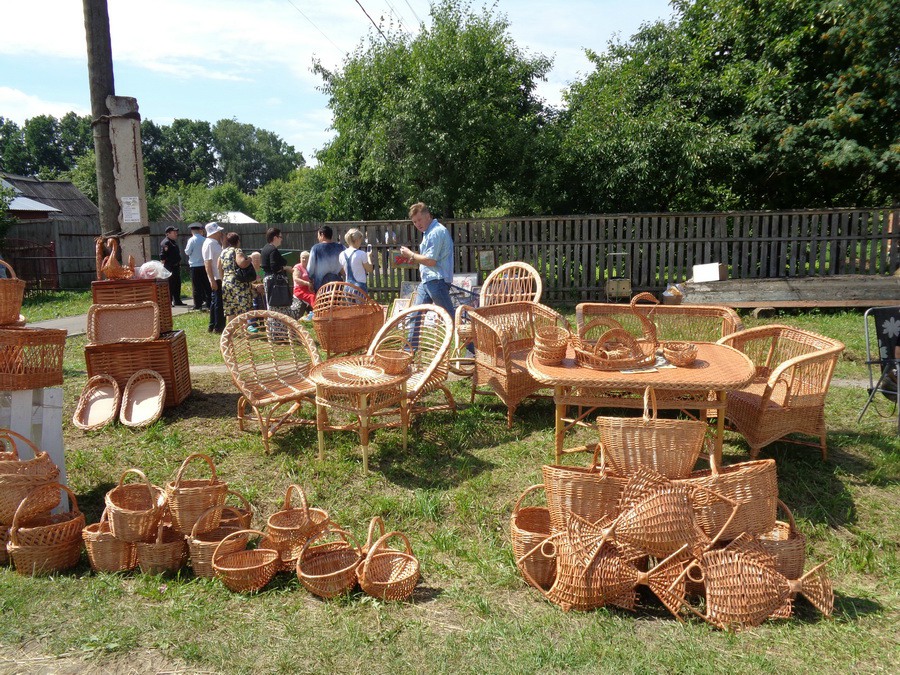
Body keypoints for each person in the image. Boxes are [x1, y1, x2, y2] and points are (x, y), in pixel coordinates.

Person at [399, 202, 455, 320]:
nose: (417, 224)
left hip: (437, 280)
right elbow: (428, 259)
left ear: (428, 216)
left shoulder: (436, 232)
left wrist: (411, 254)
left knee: (449, 317)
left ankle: (464, 333)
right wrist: (413, 258)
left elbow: (431, 261)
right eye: (414, 222)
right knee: (415, 316)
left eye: (419, 220)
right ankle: (411, 334)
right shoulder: (429, 232)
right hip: (428, 280)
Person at [218, 231, 255, 325]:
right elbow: (242, 263)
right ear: (238, 241)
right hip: (237, 283)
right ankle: (243, 330)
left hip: (226, 281)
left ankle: (230, 330)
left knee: (230, 309)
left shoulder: (223, 252)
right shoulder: (237, 250)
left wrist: (223, 279)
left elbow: (219, 266)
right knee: (243, 308)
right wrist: (249, 259)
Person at [259, 227, 294, 316]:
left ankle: (273, 323)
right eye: (280, 237)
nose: (282, 239)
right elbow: (274, 267)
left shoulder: (265, 248)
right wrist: (286, 268)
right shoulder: (273, 250)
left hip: (268, 280)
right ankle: (278, 323)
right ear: (275, 237)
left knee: (271, 305)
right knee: (277, 306)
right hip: (275, 282)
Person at [202, 222, 226, 333]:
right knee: (219, 303)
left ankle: (212, 325)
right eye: (219, 231)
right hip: (216, 277)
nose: (220, 233)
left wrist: (223, 244)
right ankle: (218, 327)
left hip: (218, 276)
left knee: (215, 301)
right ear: (214, 232)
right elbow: (207, 263)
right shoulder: (210, 244)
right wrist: (211, 280)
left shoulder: (214, 243)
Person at [307, 225, 344, 292]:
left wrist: (310, 281)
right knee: (335, 299)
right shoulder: (341, 247)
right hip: (337, 284)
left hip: (321, 286)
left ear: (322, 235)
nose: (317, 238)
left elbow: (310, 268)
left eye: (318, 235)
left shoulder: (315, 248)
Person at [183, 222, 211, 311]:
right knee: (206, 284)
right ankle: (209, 303)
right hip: (204, 265)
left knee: (196, 286)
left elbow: (187, 252)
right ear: (200, 230)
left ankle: (198, 304)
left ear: (192, 231)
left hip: (195, 265)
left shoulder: (191, 240)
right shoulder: (205, 240)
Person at [339, 228, 375, 293]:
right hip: (359, 287)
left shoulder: (342, 254)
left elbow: (342, 271)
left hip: (347, 287)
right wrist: (369, 257)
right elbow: (370, 269)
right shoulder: (361, 254)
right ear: (357, 240)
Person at [160, 225, 185, 306]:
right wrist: (164, 268)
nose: (176, 234)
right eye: (174, 232)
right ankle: (169, 302)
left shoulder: (172, 242)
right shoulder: (166, 243)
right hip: (170, 267)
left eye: (176, 232)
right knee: (171, 285)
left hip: (176, 266)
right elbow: (163, 256)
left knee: (177, 284)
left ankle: (177, 300)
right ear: (168, 233)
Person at [291, 250, 316, 318]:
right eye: (303, 258)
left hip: (309, 288)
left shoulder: (310, 267)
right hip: (300, 290)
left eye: (306, 258)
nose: (304, 259)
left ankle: (313, 315)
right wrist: (307, 283)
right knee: (312, 297)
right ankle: (316, 312)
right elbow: (296, 279)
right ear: (300, 258)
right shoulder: (297, 267)